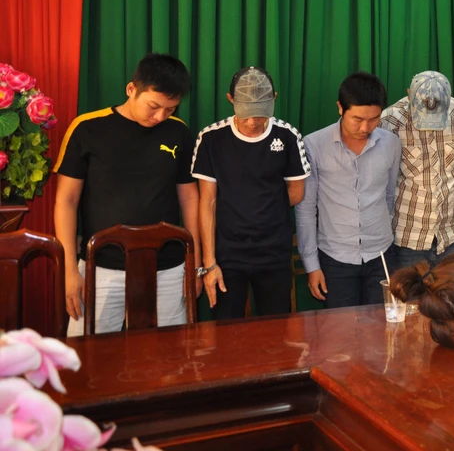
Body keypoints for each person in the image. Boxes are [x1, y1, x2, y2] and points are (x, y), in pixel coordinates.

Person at [53, 53, 200, 335]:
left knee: (170, 354)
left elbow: (190, 198)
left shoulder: (178, 132)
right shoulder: (87, 128)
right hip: (101, 266)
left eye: (170, 109)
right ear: (131, 89)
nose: (160, 117)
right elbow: (66, 201)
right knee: (89, 355)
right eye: (153, 106)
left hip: (168, 268)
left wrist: (195, 265)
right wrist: (69, 269)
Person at [191, 66, 311, 319]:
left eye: (260, 114)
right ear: (230, 100)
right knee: (227, 330)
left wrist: (261, 211)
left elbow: (296, 192)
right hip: (227, 256)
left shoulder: (288, 136)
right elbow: (207, 202)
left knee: (276, 328)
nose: (253, 121)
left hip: (274, 253)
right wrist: (209, 263)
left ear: (274, 99)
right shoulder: (211, 138)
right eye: (246, 113)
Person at [296, 72, 401, 308]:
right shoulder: (314, 145)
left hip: (381, 254)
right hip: (335, 258)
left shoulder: (391, 143)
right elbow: (305, 210)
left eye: (374, 119)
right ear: (340, 108)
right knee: (340, 328)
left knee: (380, 325)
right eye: (357, 119)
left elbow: (389, 196)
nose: (365, 127)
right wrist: (312, 266)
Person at [380, 71, 454, 269]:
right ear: (409, 94)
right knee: (410, 290)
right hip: (408, 235)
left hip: (453, 233)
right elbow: (385, 179)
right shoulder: (390, 120)